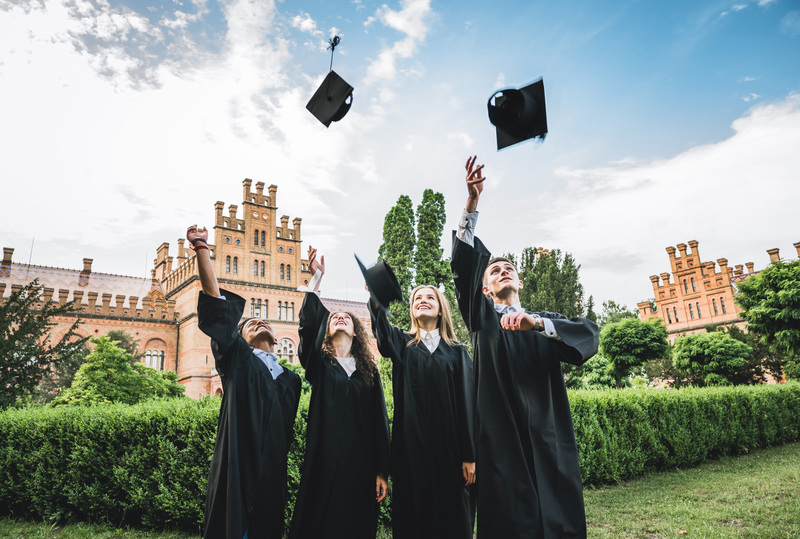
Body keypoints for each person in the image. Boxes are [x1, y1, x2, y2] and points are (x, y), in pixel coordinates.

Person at [449, 157, 600, 539]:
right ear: (485, 289)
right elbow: (464, 272)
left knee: (558, 519)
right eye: (494, 270)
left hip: (548, 439)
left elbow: (589, 336)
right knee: (511, 524)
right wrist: (472, 205)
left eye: (508, 268)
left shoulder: (542, 322)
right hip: (503, 444)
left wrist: (539, 325)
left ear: (520, 281)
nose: (502, 271)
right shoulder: (482, 319)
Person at [187, 224, 302, 539]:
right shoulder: (238, 360)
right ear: (238, 338)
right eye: (250, 322)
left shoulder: (291, 381)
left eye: (264, 320)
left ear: (277, 340)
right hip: (237, 469)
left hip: (272, 474)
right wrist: (201, 249)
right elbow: (217, 306)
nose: (259, 320)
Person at [288, 246, 391, 539]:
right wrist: (316, 277)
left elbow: (379, 421)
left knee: (355, 523)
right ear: (327, 332)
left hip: (361, 461)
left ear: (357, 331)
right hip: (323, 456)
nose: (340, 318)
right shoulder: (319, 365)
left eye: (346, 317)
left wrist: (382, 470)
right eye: (334, 318)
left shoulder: (369, 373)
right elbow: (307, 329)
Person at [368, 283, 476, 539]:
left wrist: (469, 455)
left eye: (430, 297)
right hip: (410, 451)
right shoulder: (401, 344)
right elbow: (381, 333)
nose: (423, 300)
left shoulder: (458, 352)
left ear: (441, 310)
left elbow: (468, 404)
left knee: (452, 518)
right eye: (417, 297)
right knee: (412, 518)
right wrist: (375, 295)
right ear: (412, 309)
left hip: (450, 452)